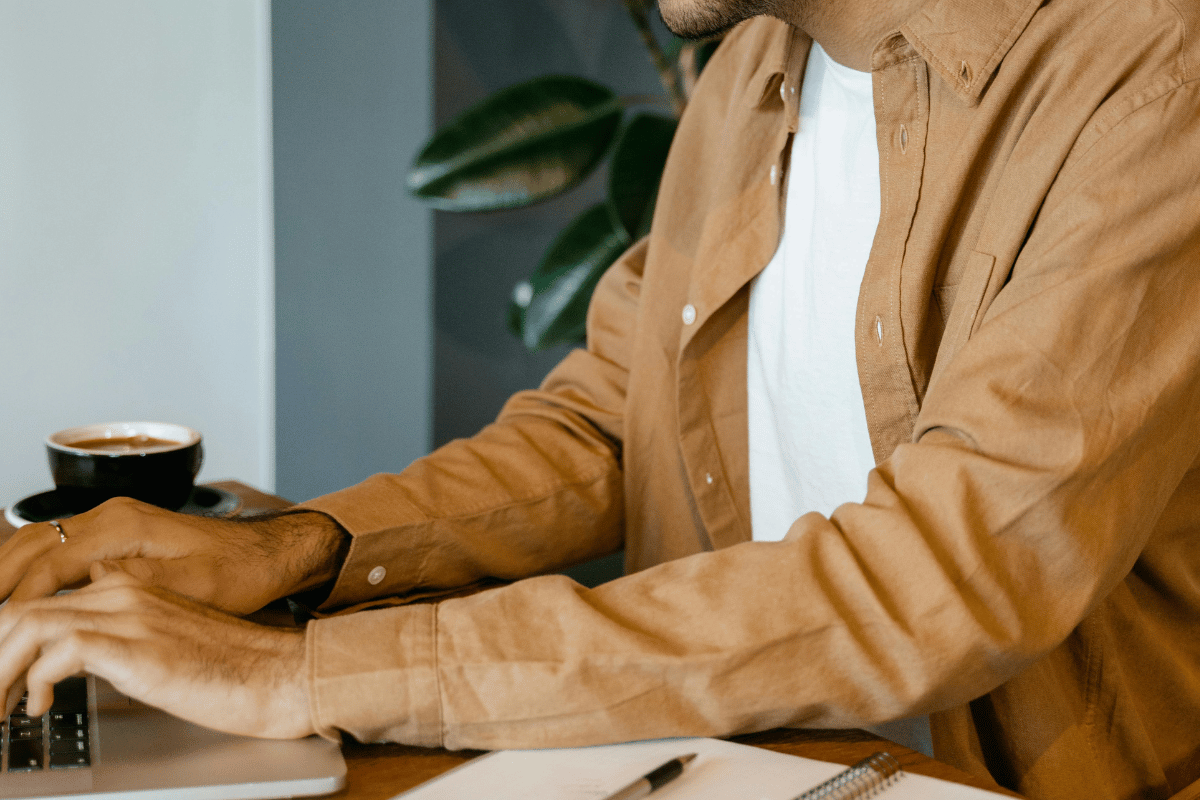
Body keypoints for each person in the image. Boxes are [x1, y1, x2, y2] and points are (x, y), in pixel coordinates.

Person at [2, 0, 1199, 797]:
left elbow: (938, 575)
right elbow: (603, 427)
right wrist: (285, 552)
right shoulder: (747, 76)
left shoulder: (1155, 78)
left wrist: (297, 677)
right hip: (733, 759)